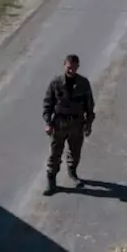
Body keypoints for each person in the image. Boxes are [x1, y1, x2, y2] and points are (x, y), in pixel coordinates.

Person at [42, 54, 96, 194]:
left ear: (78, 67)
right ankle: (51, 182)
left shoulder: (83, 83)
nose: (71, 70)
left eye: (74, 67)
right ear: (64, 65)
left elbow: (89, 106)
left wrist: (88, 124)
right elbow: (47, 104)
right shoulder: (56, 83)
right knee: (55, 154)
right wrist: (48, 123)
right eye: (68, 67)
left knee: (75, 152)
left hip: (77, 124)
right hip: (59, 124)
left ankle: (73, 173)